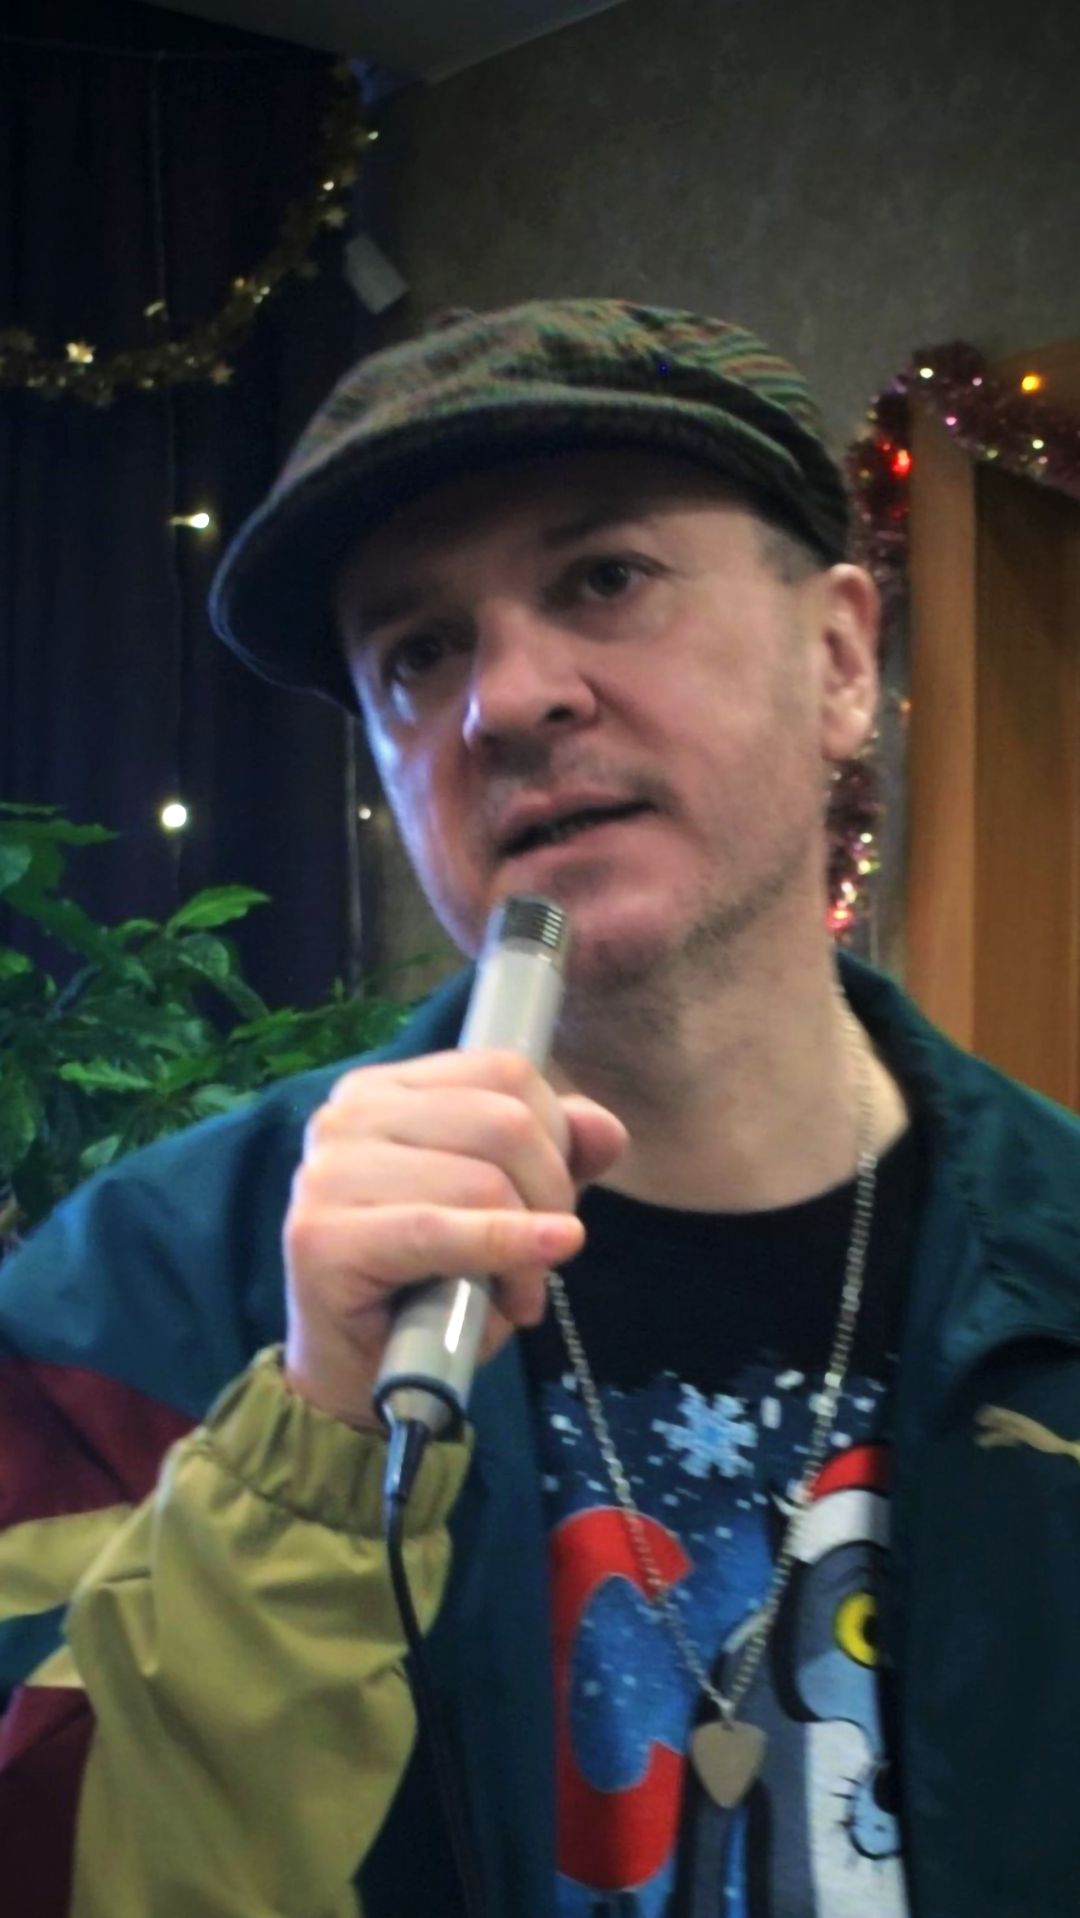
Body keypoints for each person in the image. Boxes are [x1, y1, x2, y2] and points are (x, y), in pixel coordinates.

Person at [2, 299, 1079, 1918]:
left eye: (606, 578)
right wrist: (309, 1454)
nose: (503, 699)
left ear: (843, 660)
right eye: (416, 651)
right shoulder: (128, 1296)